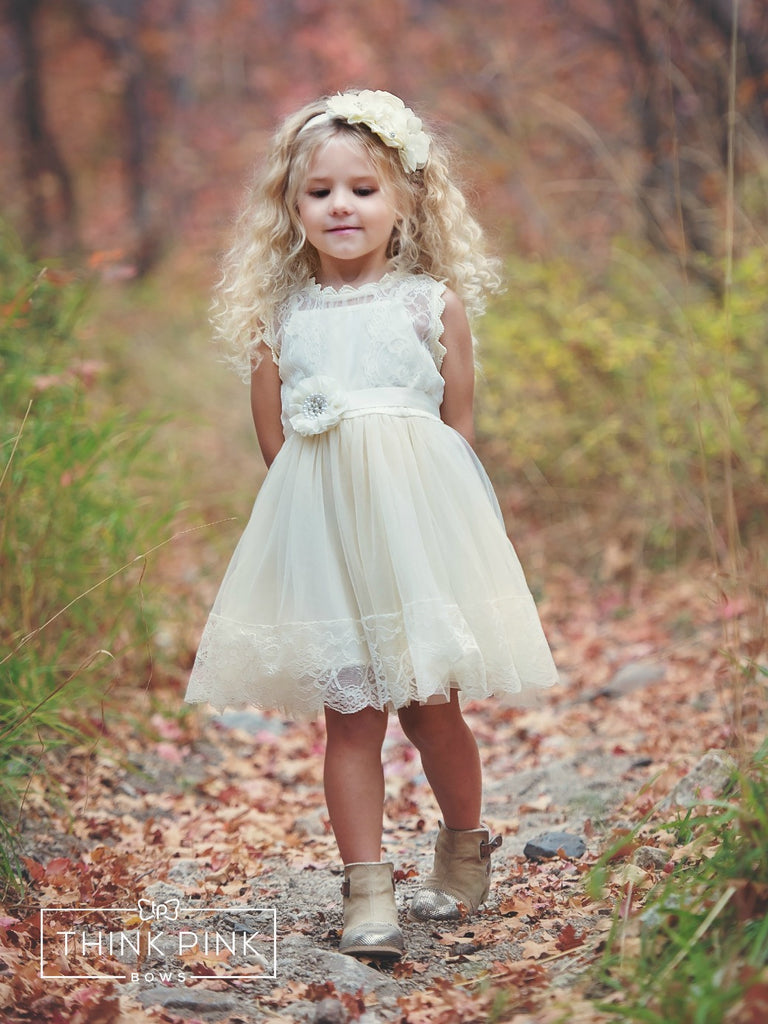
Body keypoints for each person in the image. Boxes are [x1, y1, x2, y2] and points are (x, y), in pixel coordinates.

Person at [185, 89, 558, 959]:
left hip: (418, 541)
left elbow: (456, 432)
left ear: (406, 202)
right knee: (350, 717)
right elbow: (278, 447)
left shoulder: (432, 307)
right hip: (325, 541)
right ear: (292, 207)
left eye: (363, 189)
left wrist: (433, 534)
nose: (341, 206)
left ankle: (464, 850)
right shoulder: (279, 322)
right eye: (319, 192)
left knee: (433, 711)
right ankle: (367, 891)